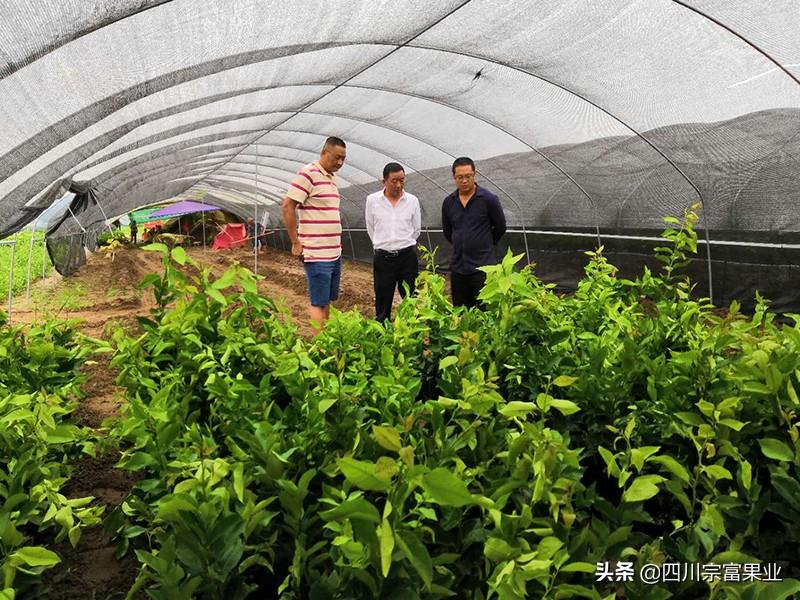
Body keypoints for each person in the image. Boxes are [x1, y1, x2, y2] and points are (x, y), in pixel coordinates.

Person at [281, 136, 346, 330]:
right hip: (317, 253)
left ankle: (325, 342)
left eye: (343, 158)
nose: (340, 162)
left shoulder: (331, 179)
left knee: (326, 300)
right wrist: (295, 242)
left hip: (334, 253)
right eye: (336, 157)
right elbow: (287, 206)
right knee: (318, 301)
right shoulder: (308, 174)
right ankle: (322, 349)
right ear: (324, 153)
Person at [441, 156, 506, 308]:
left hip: (483, 268)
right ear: (454, 178)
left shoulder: (488, 199)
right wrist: (461, 242)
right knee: (462, 311)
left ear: (474, 175)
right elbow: (448, 231)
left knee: (485, 311)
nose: (464, 181)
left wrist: (486, 244)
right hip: (458, 268)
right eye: (460, 177)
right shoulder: (449, 202)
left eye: (468, 176)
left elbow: (500, 227)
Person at [365, 163, 421, 322]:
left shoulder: (412, 201)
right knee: (383, 300)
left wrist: (403, 244)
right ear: (384, 181)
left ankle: (412, 333)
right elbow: (371, 227)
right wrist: (383, 245)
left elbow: (416, 229)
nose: (398, 185)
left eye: (402, 180)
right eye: (394, 180)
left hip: (407, 257)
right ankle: (382, 336)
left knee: (410, 298)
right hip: (383, 259)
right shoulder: (372, 200)